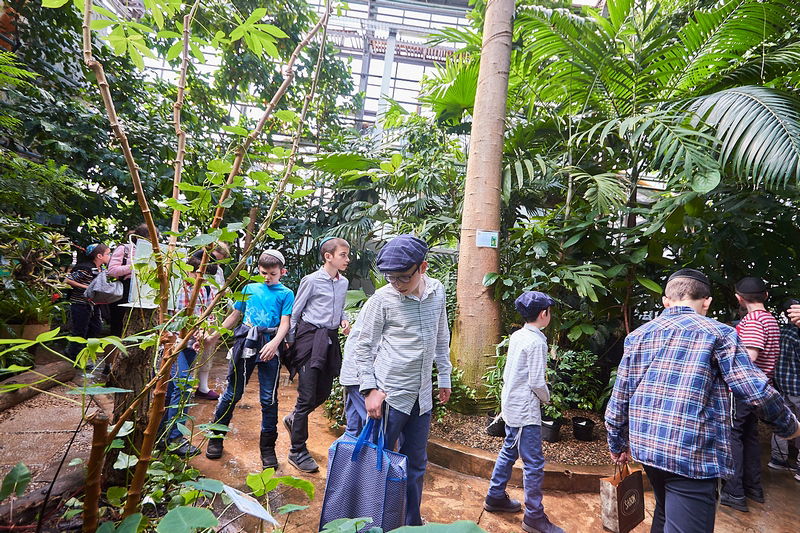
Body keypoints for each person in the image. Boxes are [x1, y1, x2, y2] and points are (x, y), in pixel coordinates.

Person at [605, 268, 800, 532]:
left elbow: (620, 395)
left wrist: (617, 441)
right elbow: (754, 390)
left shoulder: (639, 336)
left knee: (663, 512)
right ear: (707, 301)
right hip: (691, 454)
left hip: (647, 448)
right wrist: (790, 426)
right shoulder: (719, 333)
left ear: (666, 301)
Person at [351, 234, 452, 526]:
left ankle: (410, 522)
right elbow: (363, 346)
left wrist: (443, 375)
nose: (396, 283)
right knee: (378, 462)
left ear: (423, 267)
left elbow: (441, 334)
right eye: (390, 278)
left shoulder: (437, 291)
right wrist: (369, 390)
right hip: (389, 396)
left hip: (421, 396)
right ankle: (370, 523)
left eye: (403, 277)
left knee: (416, 463)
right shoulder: (381, 300)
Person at [204, 250, 294, 469]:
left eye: (272, 274)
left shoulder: (286, 293)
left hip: (270, 343)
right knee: (232, 391)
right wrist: (215, 335)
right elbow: (235, 315)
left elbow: (285, 323)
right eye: (264, 273)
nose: (267, 278)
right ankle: (216, 437)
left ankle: (267, 449)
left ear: (282, 272)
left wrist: (274, 344)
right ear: (259, 270)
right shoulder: (249, 288)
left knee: (268, 398)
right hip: (246, 342)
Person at [484, 291, 564, 533]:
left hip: (511, 405)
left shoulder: (518, 335)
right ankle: (534, 517)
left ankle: (495, 496)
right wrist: (547, 399)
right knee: (534, 463)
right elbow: (537, 382)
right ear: (544, 314)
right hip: (524, 411)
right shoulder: (537, 341)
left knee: (509, 451)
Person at [283, 237, 351, 473]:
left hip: (330, 340)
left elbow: (340, 308)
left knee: (322, 393)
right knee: (307, 395)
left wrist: (343, 319)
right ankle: (297, 451)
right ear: (328, 256)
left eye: (347, 255)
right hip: (310, 339)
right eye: (343, 255)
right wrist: (291, 339)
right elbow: (296, 311)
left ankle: (293, 419)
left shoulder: (344, 283)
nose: (347, 259)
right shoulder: (311, 281)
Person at [720, 277, 781, 512]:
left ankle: (735, 492)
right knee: (748, 435)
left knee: (733, 435)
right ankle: (752, 487)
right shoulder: (770, 319)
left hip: (745, 388)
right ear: (765, 296)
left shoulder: (754, 320)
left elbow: (750, 357)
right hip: (761, 387)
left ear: (739, 298)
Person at [162, 250, 218, 457]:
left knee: (174, 389)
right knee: (182, 387)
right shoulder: (175, 287)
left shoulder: (206, 288)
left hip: (191, 345)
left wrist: (204, 332)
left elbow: (208, 317)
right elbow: (164, 320)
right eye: (199, 275)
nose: (202, 280)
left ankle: (163, 434)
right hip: (173, 344)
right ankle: (175, 438)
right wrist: (174, 339)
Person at [194, 242, 231, 401]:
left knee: (207, 350)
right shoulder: (193, 264)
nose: (215, 263)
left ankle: (202, 387)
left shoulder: (218, 270)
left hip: (211, 313)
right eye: (215, 258)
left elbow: (220, 288)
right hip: (193, 311)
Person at [64, 243, 111, 363]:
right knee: (80, 331)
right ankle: (75, 358)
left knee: (95, 328)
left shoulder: (101, 269)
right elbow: (68, 280)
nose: (110, 256)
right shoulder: (86, 268)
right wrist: (87, 287)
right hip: (80, 304)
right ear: (99, 256)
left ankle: (79, 354)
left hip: (93, 305)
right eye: (108, 254)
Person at [106, 224, 156, 336]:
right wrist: (134, 267)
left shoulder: (154, 251)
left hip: (145, 291)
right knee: (119, 325)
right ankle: (115, 351)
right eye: (152, 237)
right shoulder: (125, 249)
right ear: (142, 237)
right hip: (124, 290)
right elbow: (112, 271)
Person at [770, 298, 800, 480]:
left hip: (781, 384)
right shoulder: (796, 336)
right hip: (797, 386)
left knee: (782, 420)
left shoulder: (780, 333)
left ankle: (777, 458)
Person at [339, 318, 366, 436]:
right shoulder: (378, 304)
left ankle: (345, 453)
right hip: (359, 376)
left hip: (356, 374)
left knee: (354, 428)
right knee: (373, 425)